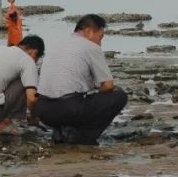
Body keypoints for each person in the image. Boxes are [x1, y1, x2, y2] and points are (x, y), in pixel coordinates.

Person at [33, 14, 127, 145]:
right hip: (68, 108)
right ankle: (84, 137)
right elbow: (108, 85)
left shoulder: (57, 44)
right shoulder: (91, 47)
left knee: (73, 98)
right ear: (89, 31)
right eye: (100, 37)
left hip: (43, 110)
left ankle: (60, 131)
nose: (100, 43)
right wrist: (97, 89)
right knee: (119, 96)